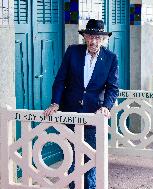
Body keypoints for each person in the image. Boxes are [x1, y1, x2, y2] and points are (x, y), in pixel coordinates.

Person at [44, 19, 119, 189]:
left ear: (103, 39)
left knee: (91, 157)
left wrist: (106, 106)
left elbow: (113, 88)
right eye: (90, 36)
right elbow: (60, 80)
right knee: (71, 155)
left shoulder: (110, 58)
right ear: (84, 37)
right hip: (71, 112)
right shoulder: (72, 52)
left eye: (98, 38)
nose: (93, 41)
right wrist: (55, 103)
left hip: (94, 115)